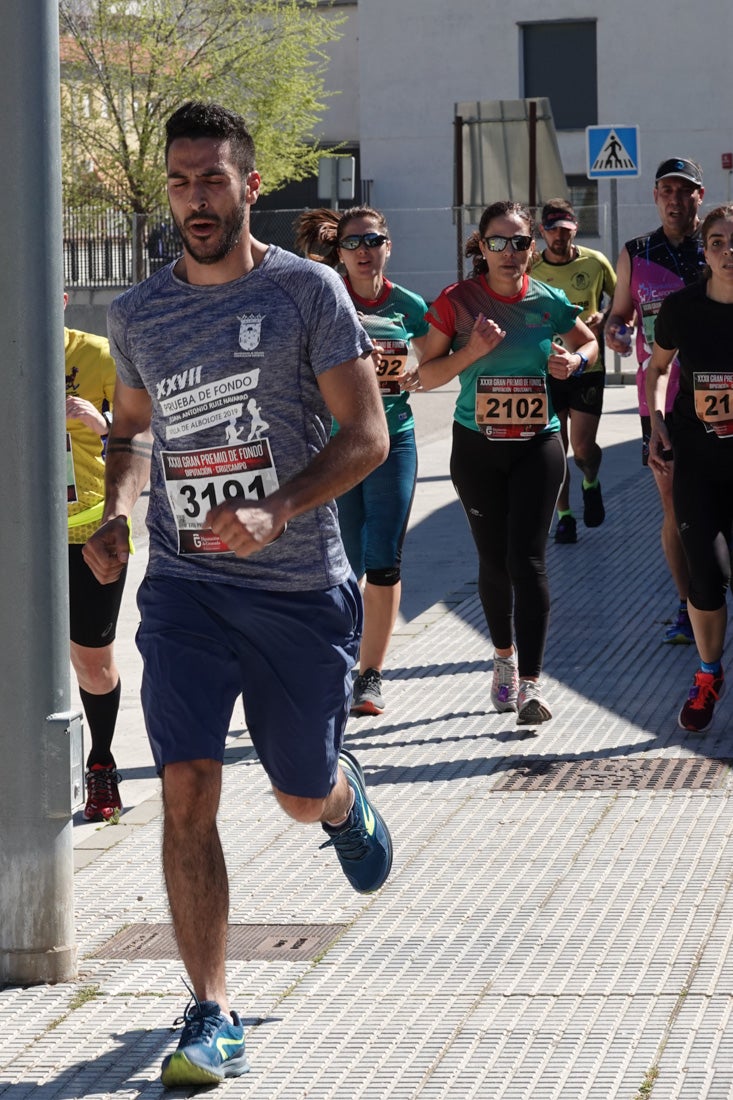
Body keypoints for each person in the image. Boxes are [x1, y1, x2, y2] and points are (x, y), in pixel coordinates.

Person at [82, 101, 392, 1089]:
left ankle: (341, 798)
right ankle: (210, 1008)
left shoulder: (306, 294)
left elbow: (368, 435)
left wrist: (278, 509)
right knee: (186, 790)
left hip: (298, 591)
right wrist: (123, 511)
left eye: (212, 179)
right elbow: (131, 430)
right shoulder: (138, 312)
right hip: (186, 588)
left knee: (297, 792)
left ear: (250, 184)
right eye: (180, 181)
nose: (195, 199)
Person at [407, 200, 597, 723]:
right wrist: (471, 351)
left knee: (528, 560)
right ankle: (504, 659)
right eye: (498, 242)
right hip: (478, 447)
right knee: (493, 562)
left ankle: (533, 685)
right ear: (481, 247)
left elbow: (590, 342)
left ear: (532, 248)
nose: (509, 253)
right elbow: (427, 376)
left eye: (519, 242)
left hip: (538, 444)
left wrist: (574, 361)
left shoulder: (548, 300)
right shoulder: (459, 301)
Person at [294, 206, 429, 715]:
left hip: (394, 440)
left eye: (374, 240)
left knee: (383, 558)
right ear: (340, 252)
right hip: (336, 446)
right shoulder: (325, 299)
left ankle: (370, 675)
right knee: (342, 561)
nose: (365, 250)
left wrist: (424, 372)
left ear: (387, 246)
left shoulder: (409, 304)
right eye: (353, 243)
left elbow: (436, 350)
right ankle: (338, 663)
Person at [606, 158, 706, 643]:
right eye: (666, 190)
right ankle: (687, 605)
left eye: (683, 191)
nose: (674, 199)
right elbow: (619, 315)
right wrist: (617, 334)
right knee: (673, 506)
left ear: (698, 197)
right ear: (655, 197)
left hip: (719, 395)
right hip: (660, 401)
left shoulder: (719, 248)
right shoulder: (636, 251)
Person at [646, 204, 733, 733]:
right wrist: (656, 421)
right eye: (719, 242)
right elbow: (656, 369)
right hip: (697, 461)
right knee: (705, 577)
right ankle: (708, 676)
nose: (729, 251)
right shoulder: (681, 308)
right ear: (706, 251)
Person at [65, 294, 125, 822]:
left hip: (89, 535)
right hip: (18, 539)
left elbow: (143, 430)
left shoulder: (99, 355)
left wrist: (102, 423)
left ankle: (102, 763)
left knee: (92, 663)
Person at [532, 199, 617, 543]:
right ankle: (565, 515)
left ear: (574, 230)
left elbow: (623, 300)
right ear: (542, 232)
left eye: (565, 231)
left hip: (586, 364)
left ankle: (591, 481)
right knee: (557, 448)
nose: (558, 237)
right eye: (552, 231)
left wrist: (606, 318)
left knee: (582, 449)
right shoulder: (531, 266)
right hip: (546, 367)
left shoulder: (595, 263)